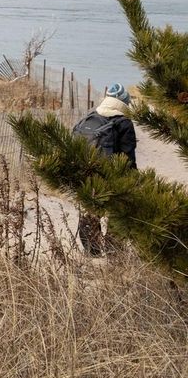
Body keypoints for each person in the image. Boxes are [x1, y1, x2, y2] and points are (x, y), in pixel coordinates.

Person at [71, 83, 138, 255]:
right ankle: (114, 251)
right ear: (124, 102)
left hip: (88, 174)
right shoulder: (124, 123)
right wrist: (134, 182)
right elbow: (127, 158)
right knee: (118, 212)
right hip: (112, 176)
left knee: (90, 211)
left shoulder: (91, 116)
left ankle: (92, 251)